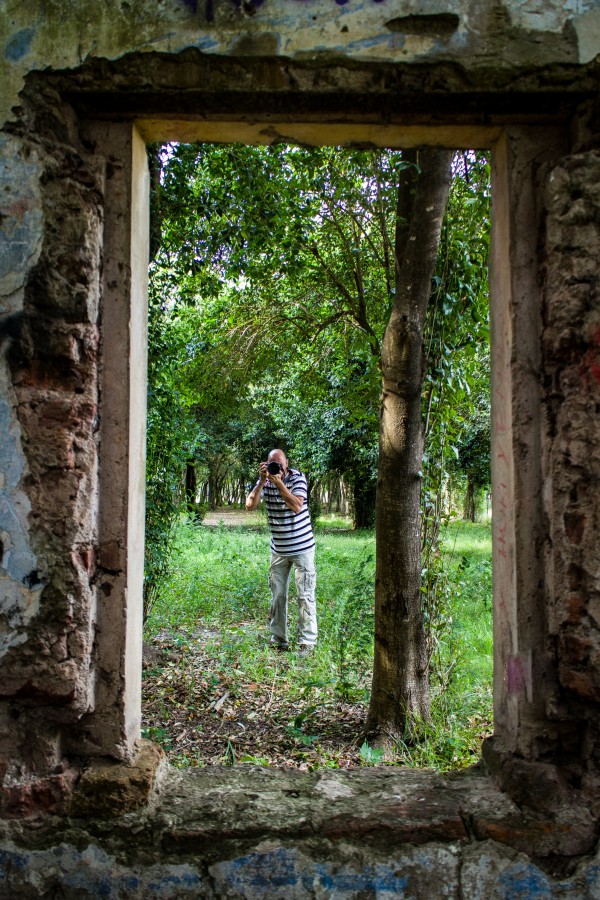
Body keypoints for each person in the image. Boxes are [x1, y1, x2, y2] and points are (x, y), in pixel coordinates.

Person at [246, 449, 317, 654]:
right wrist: (261, 482)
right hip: (278, 549)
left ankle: (307, 642)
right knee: (277, 595)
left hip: (302, 548)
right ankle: (278, 639)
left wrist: (278, 484)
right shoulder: (265, 482)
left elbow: (296, 506)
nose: (276, 466)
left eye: (279, 463)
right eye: (272, 463)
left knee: (305, 594)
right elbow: (250, 505)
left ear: (286, 463)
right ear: (266, 465)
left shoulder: (298, 478)